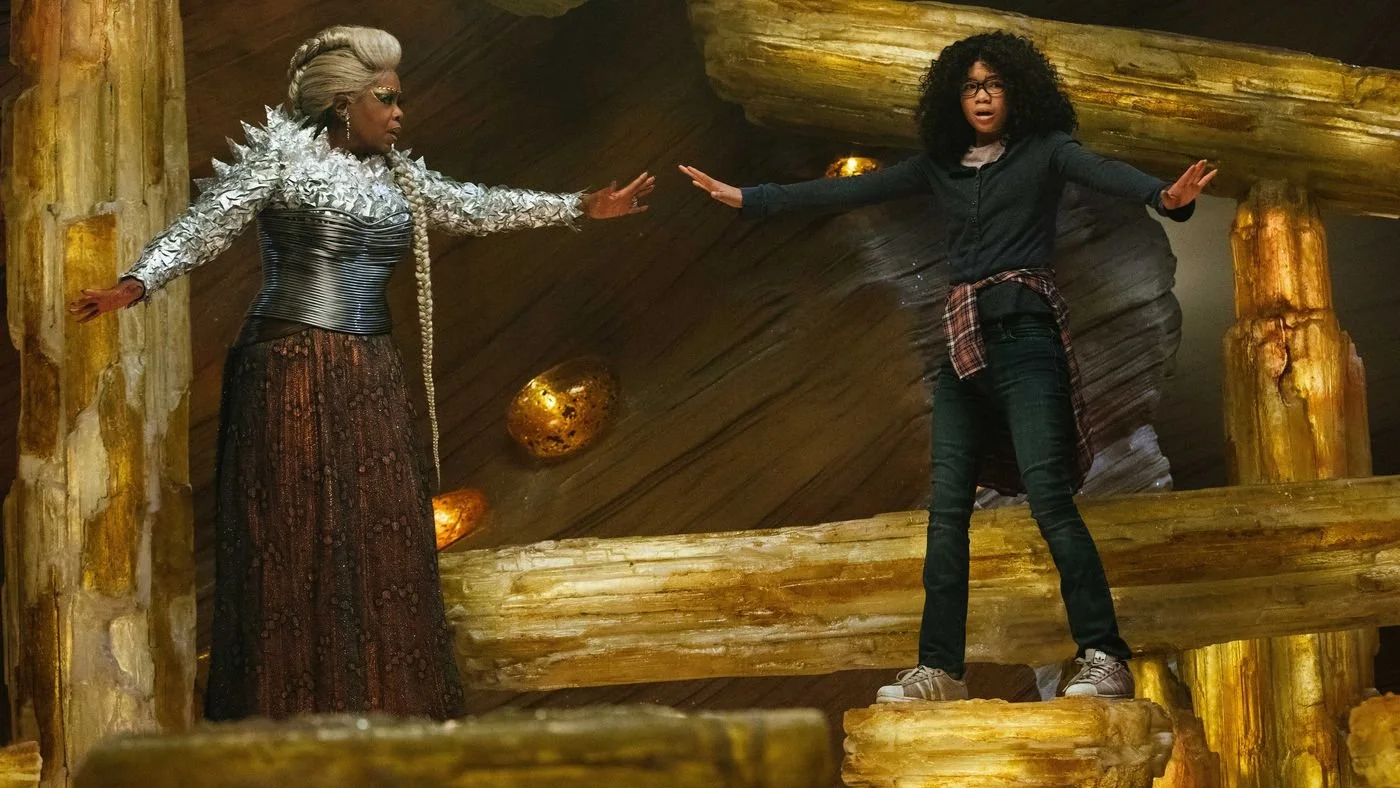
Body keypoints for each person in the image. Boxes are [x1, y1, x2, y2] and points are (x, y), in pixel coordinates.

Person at [69, 25, 654, 721]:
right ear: (344, 103)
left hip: (368, 371)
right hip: (288, 368)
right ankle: (286, 717)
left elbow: (475, 205)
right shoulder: (281, 158)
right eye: (387, 99)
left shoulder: (399, 176)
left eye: (399, 98)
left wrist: (578, 207)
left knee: (378, 528)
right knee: (295, 529)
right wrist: (136, 283)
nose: (400, 113)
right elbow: (206, 225)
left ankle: (380, 706)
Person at [680, 31, 1214, 703]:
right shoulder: (941, 166)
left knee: (1050, 500)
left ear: (1017, 92)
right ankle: (940, 670)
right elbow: (849, 193)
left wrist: (1167, 197)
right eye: (970, 86)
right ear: (953, 99)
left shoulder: (1047, 151)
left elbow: (1109, 173)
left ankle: (1104, 656)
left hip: (1027, 340)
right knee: (947, 513)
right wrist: (750, 198)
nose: (982, 97)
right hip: (962, 348)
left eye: (993, 84)